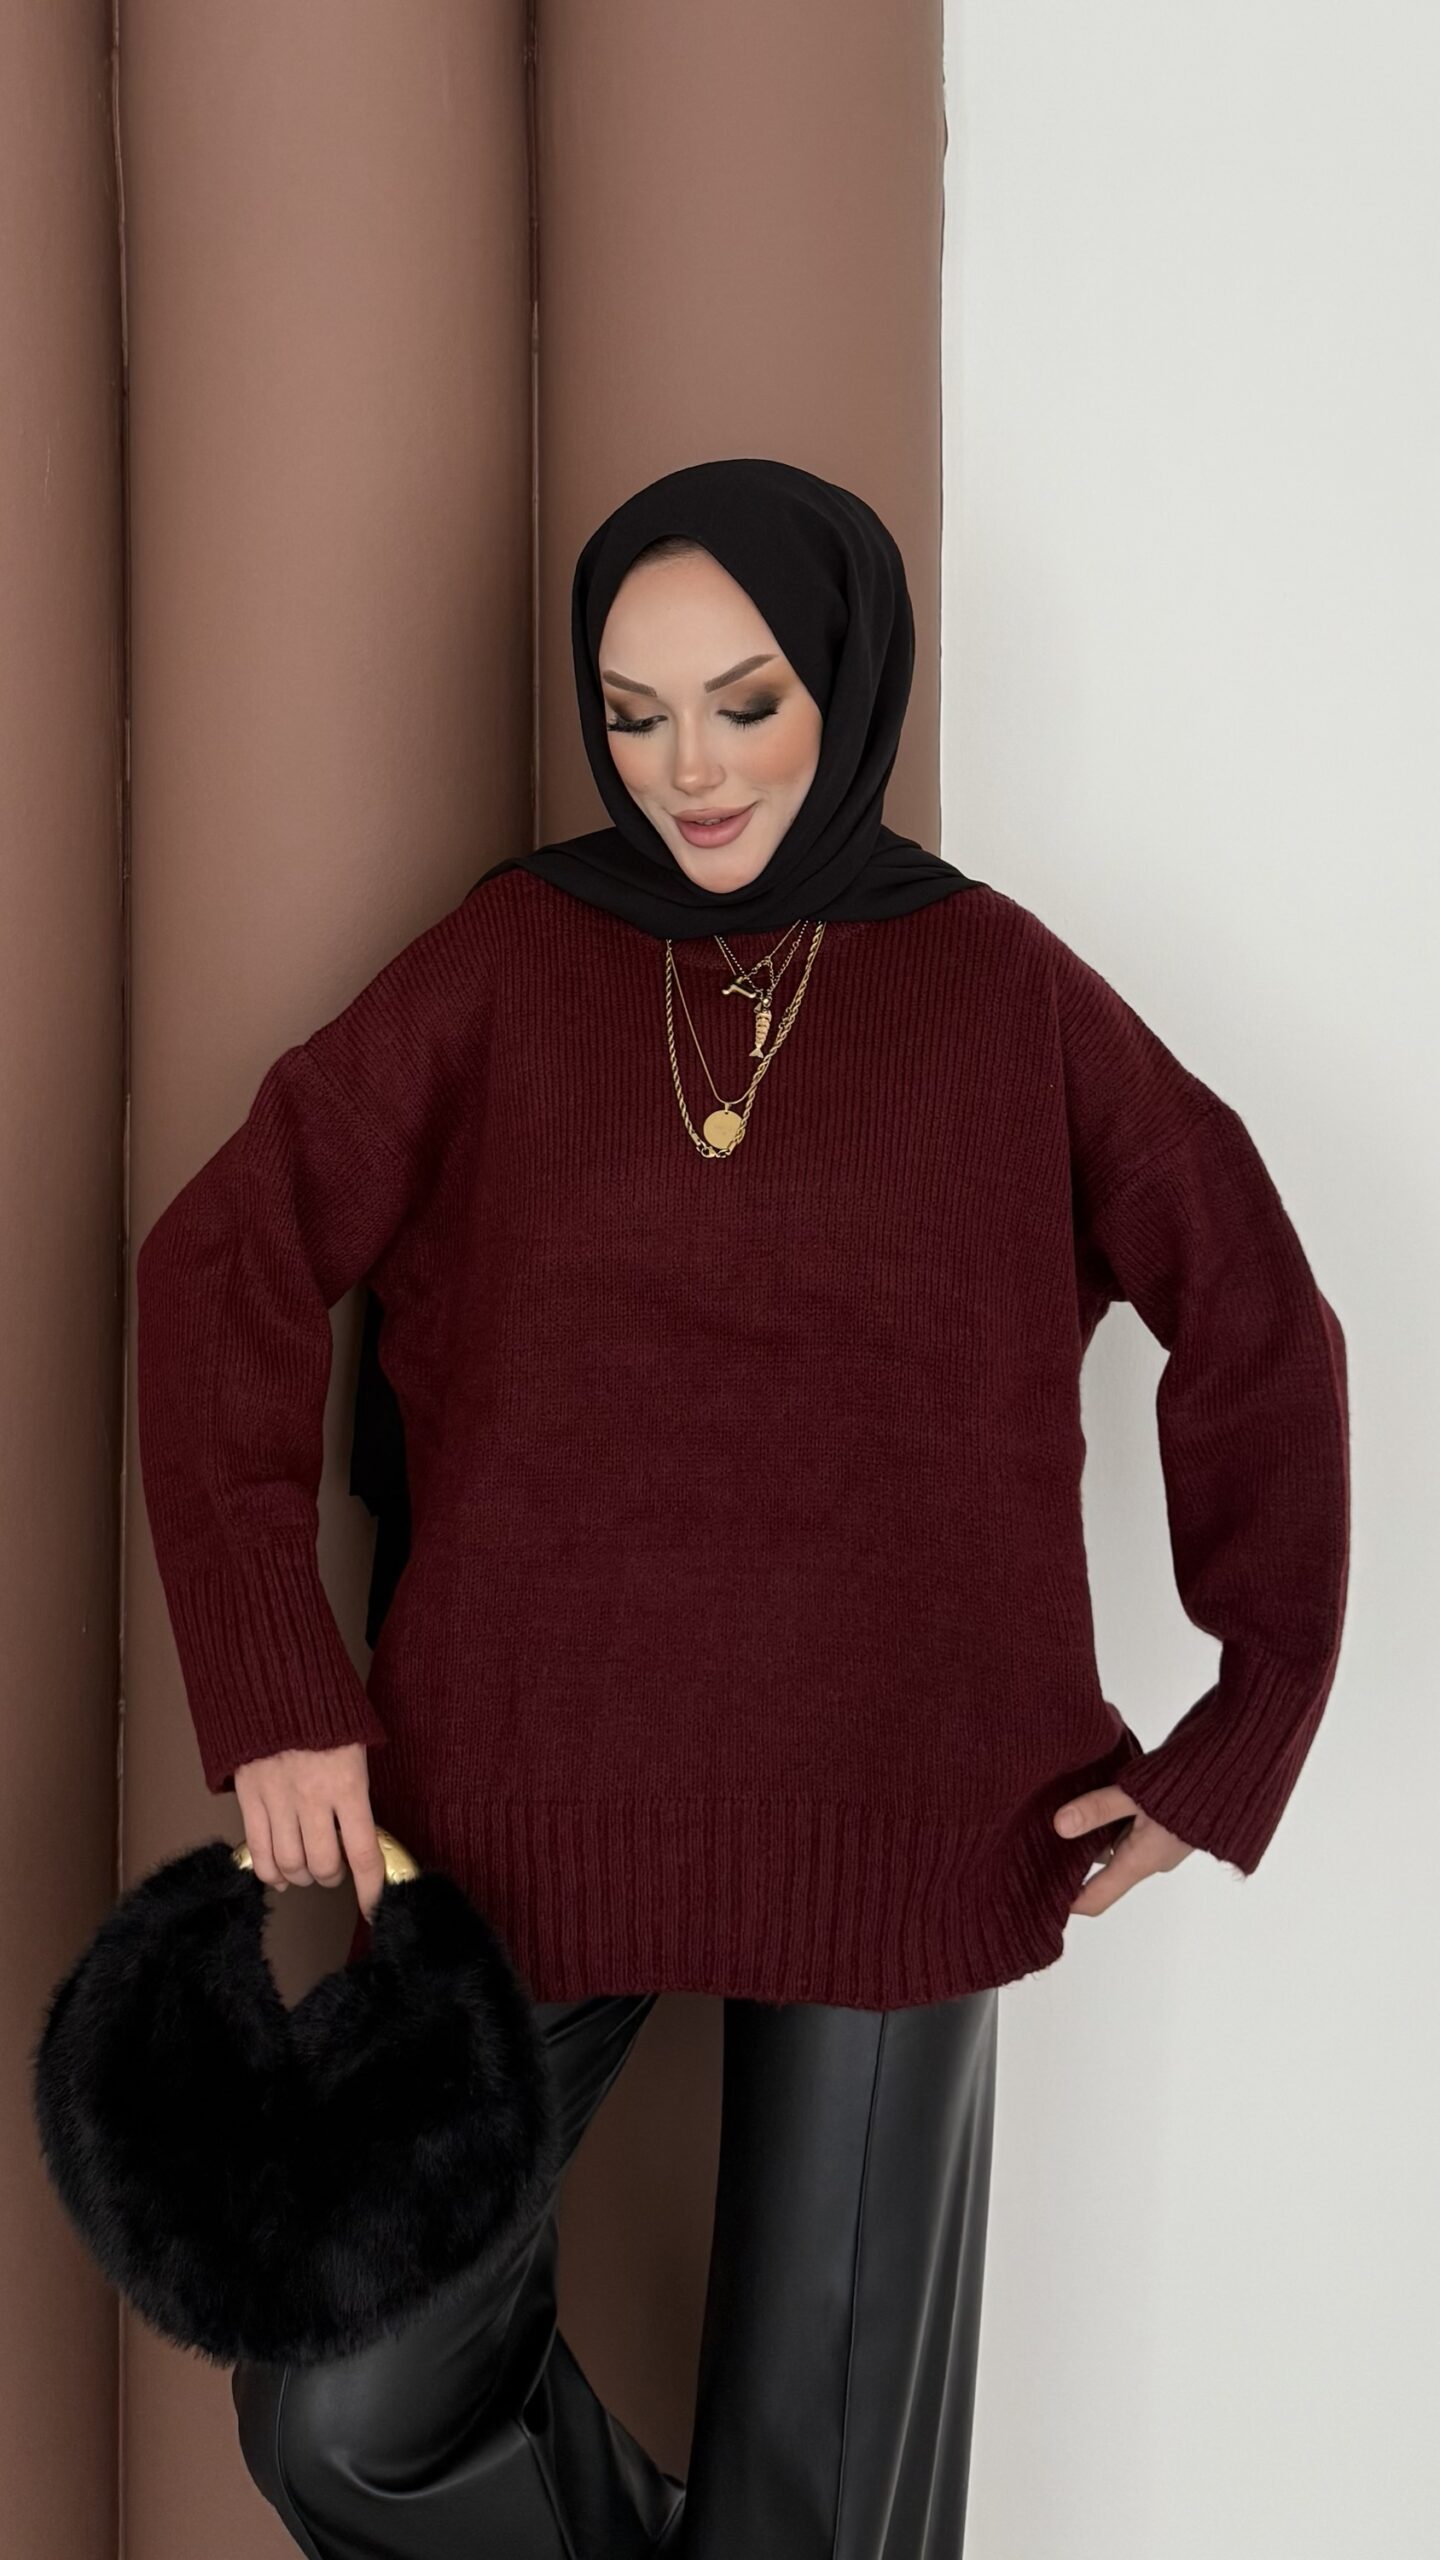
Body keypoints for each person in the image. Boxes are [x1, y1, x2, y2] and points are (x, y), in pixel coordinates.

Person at [135, 457, 1351, 2557]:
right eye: (634, 713)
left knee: (823, 2507)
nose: (685, 768)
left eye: (745, 701)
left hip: (911, 1794)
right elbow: (219, 1260)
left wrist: (1244, 1725)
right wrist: (277, 1687)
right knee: (341, 2408)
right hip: (527, 1794)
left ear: (849, 682)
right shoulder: (507, 960)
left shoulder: (1003, 987)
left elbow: (1252, 1300)